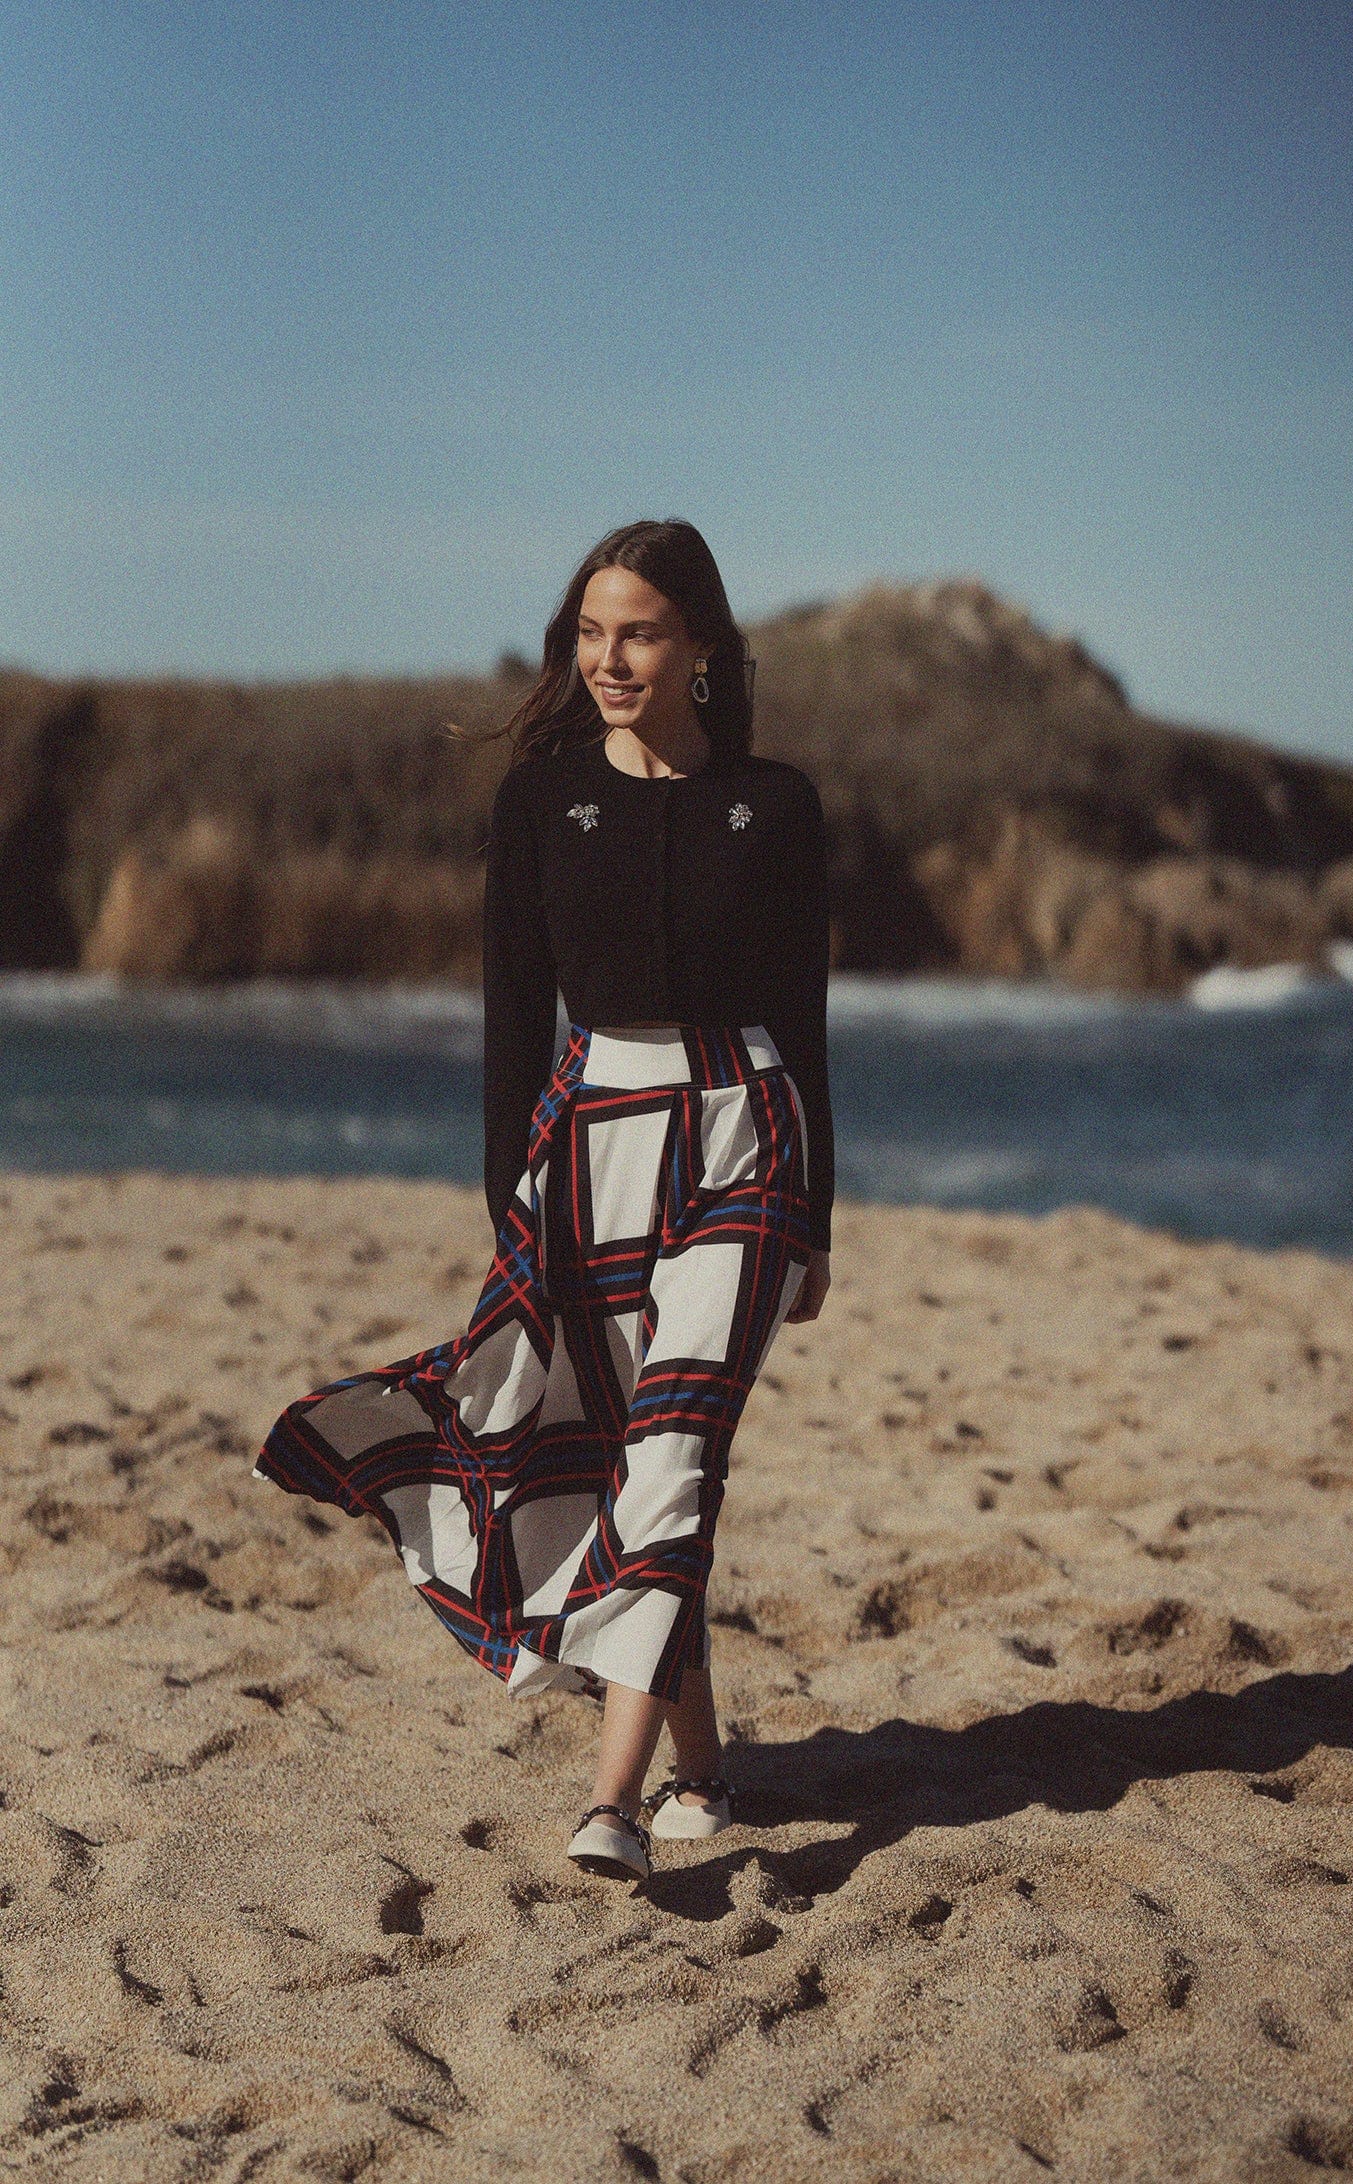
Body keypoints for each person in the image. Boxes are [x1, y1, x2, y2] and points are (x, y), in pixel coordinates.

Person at [253, 519, 834, 1883]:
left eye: (639, 633)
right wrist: (506, 1195)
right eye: (590, 634)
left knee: (676, 1445)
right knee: (629, 1454)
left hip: (747, 1138)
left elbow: (805, 1014)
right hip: (589, 1150)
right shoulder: (540, 801)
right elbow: (514, 1014)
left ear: (699, 643)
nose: (609, 660)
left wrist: (817, 1218)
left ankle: (610, 1801)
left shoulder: (777, 804)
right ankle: (702, 1765)